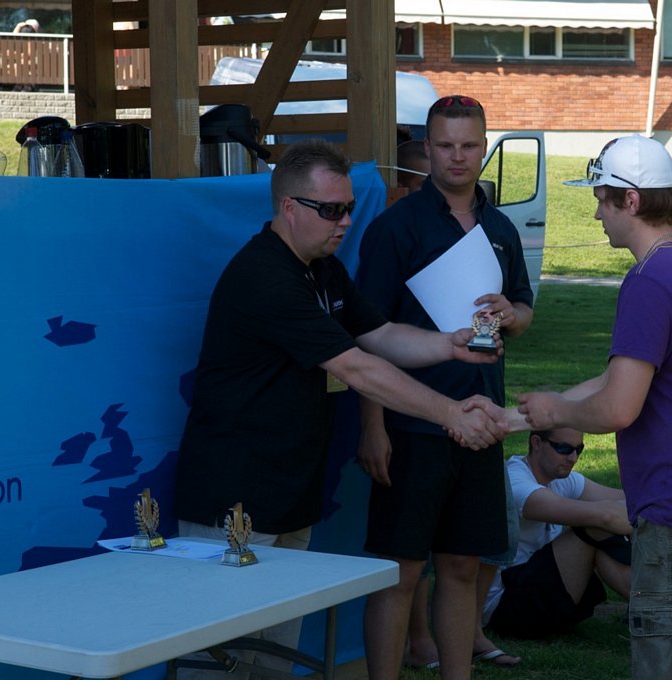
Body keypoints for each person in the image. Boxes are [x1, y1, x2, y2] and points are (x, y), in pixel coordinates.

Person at [173, 138, 507, 679]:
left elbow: (381, 335)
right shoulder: (265, 276)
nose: (346, 221)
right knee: (219, 666)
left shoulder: (322, 269)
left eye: (349, 207)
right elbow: (357, 367)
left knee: (273, 663)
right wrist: (450, 413)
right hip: (231, 503)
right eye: (331, 210)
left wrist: (450, 344)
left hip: (288, 496)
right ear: (289, 207)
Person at [514, 134, 672, 680]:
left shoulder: (650, 280)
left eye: (601, 199)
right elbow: (620, 377)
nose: (596, 214)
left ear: (631, 200)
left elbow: (618, 407)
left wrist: (557, 414)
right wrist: (522, 415)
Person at [357, 94, 534, 680]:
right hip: (412, 425)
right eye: (445, 145)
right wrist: (373, 425)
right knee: (400, 572)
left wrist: (512, 314)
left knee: (460, 566)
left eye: (469, 145)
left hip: (482, 423)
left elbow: (525, 308)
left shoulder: (501, 227)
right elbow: (365, 336)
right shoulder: (395, 228)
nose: (458, 157)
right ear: (427, 149)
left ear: (484, 147)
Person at [483, 428, 631, 639]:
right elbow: (606, 516)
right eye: (564, 449)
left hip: (536, 591)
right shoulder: (516, 482)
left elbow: (628, 501)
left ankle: (656, 605)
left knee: (611, 525)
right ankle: (659, 606)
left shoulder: (560, 479)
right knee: (594, 527)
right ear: (536, 443)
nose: (573, 458)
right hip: (504, 605)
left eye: (579, 449)